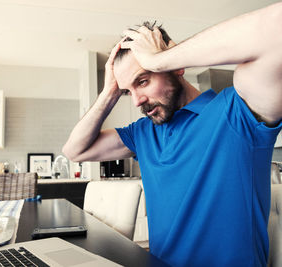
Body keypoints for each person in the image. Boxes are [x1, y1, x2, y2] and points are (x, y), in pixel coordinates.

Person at [62, 2, 282, 267]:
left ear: (177, 66)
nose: (136, 101)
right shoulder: (142, 132)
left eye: (143, 81)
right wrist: (110, 92)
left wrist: (160, 58)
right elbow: (74, 151)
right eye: (127, 92)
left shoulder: (238, 111)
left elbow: (275, 26)